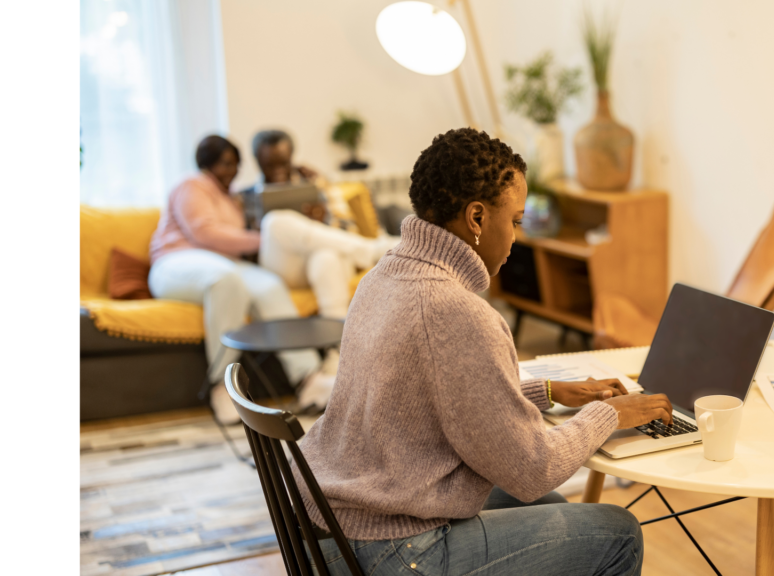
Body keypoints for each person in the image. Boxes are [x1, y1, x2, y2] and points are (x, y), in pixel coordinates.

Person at [294, 128, 674, 576]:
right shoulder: (455, 311)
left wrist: (548, 391)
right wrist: (613, 414)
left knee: (546, 504)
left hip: (330, 523)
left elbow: (433, 395)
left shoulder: (382, 278)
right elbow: (533, 468)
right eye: (514, 221)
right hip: (391, 549)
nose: (515, 238)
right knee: (619, 533)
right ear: (477, 218)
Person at [148, 135, 326, 423]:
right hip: (176, 262)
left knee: (270, 285)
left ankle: (309, 379)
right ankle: (223, 387)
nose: (232, 171)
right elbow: (204, 234)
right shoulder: (191, 186)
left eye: (236, 164)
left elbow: (265, 202)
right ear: (206, 164)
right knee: (225, 280)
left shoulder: (232, 198)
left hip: (226, 264)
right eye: (225, 164)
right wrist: (262, 240)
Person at [244, 129, 399, 322]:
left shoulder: (315, 184)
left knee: (326, 258)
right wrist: (263, 233)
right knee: (275, 221)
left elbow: (347, 227)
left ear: (292, 156)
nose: (278, 170)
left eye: (284, 163)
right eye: (269, 165)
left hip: (318, 258)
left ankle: (338, 345)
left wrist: (323, 219)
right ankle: (371, 249)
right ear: (256, 160)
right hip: (284, 266)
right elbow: (242, 249)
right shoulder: (246, 197)